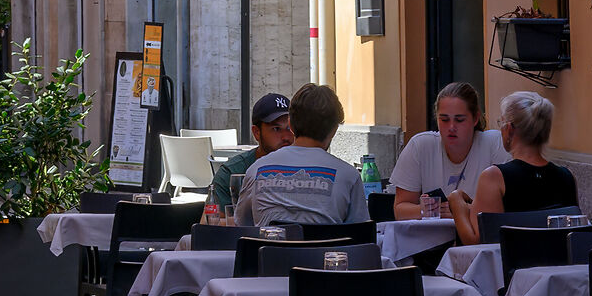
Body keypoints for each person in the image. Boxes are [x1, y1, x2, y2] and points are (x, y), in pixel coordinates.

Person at [448, 90, 577, 242]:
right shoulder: (567, 177)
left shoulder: (495, 178)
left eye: (500, 123)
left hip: (511, 265)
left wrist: (456, 204)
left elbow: (478, 242)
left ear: (508, 129)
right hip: (557, 263)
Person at [234, 83, 368, 229]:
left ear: (290, 124)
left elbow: (242, 227)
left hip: (270, 251)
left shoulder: (257, 170)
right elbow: (359, 234)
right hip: (323, 251)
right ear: (334, 129)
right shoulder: (349, 175)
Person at [390, 81, 506, 219]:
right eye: (444, 120)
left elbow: (508, 210)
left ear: (475, 118)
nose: (451, 127)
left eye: (459, 120)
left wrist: (462, 211)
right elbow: (400, 209)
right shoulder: (420, 145)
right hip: (432, 238)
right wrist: (429, 210)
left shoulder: (494, 144)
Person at [209, 93, 294, 217]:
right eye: (276, 129)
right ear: (256, 133)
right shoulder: (231, 172)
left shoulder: (307, 169)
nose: (286, 137)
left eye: (290, 128)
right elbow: (209, 223)